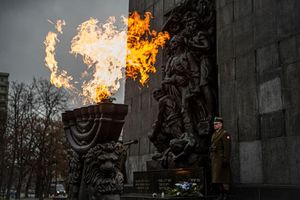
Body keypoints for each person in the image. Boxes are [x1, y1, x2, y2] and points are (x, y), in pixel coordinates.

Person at [210, 117, 231, 200]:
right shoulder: (214, 134)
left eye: (216, 124)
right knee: (217, 178)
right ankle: (220, 194)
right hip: (215, 159)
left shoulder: (225, 134)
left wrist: (226, 159)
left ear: (221, 124)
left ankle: (225, 194)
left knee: (224, 178)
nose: (214, 125)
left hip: (221, 159)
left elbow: (227, 148)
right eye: (214, 124)